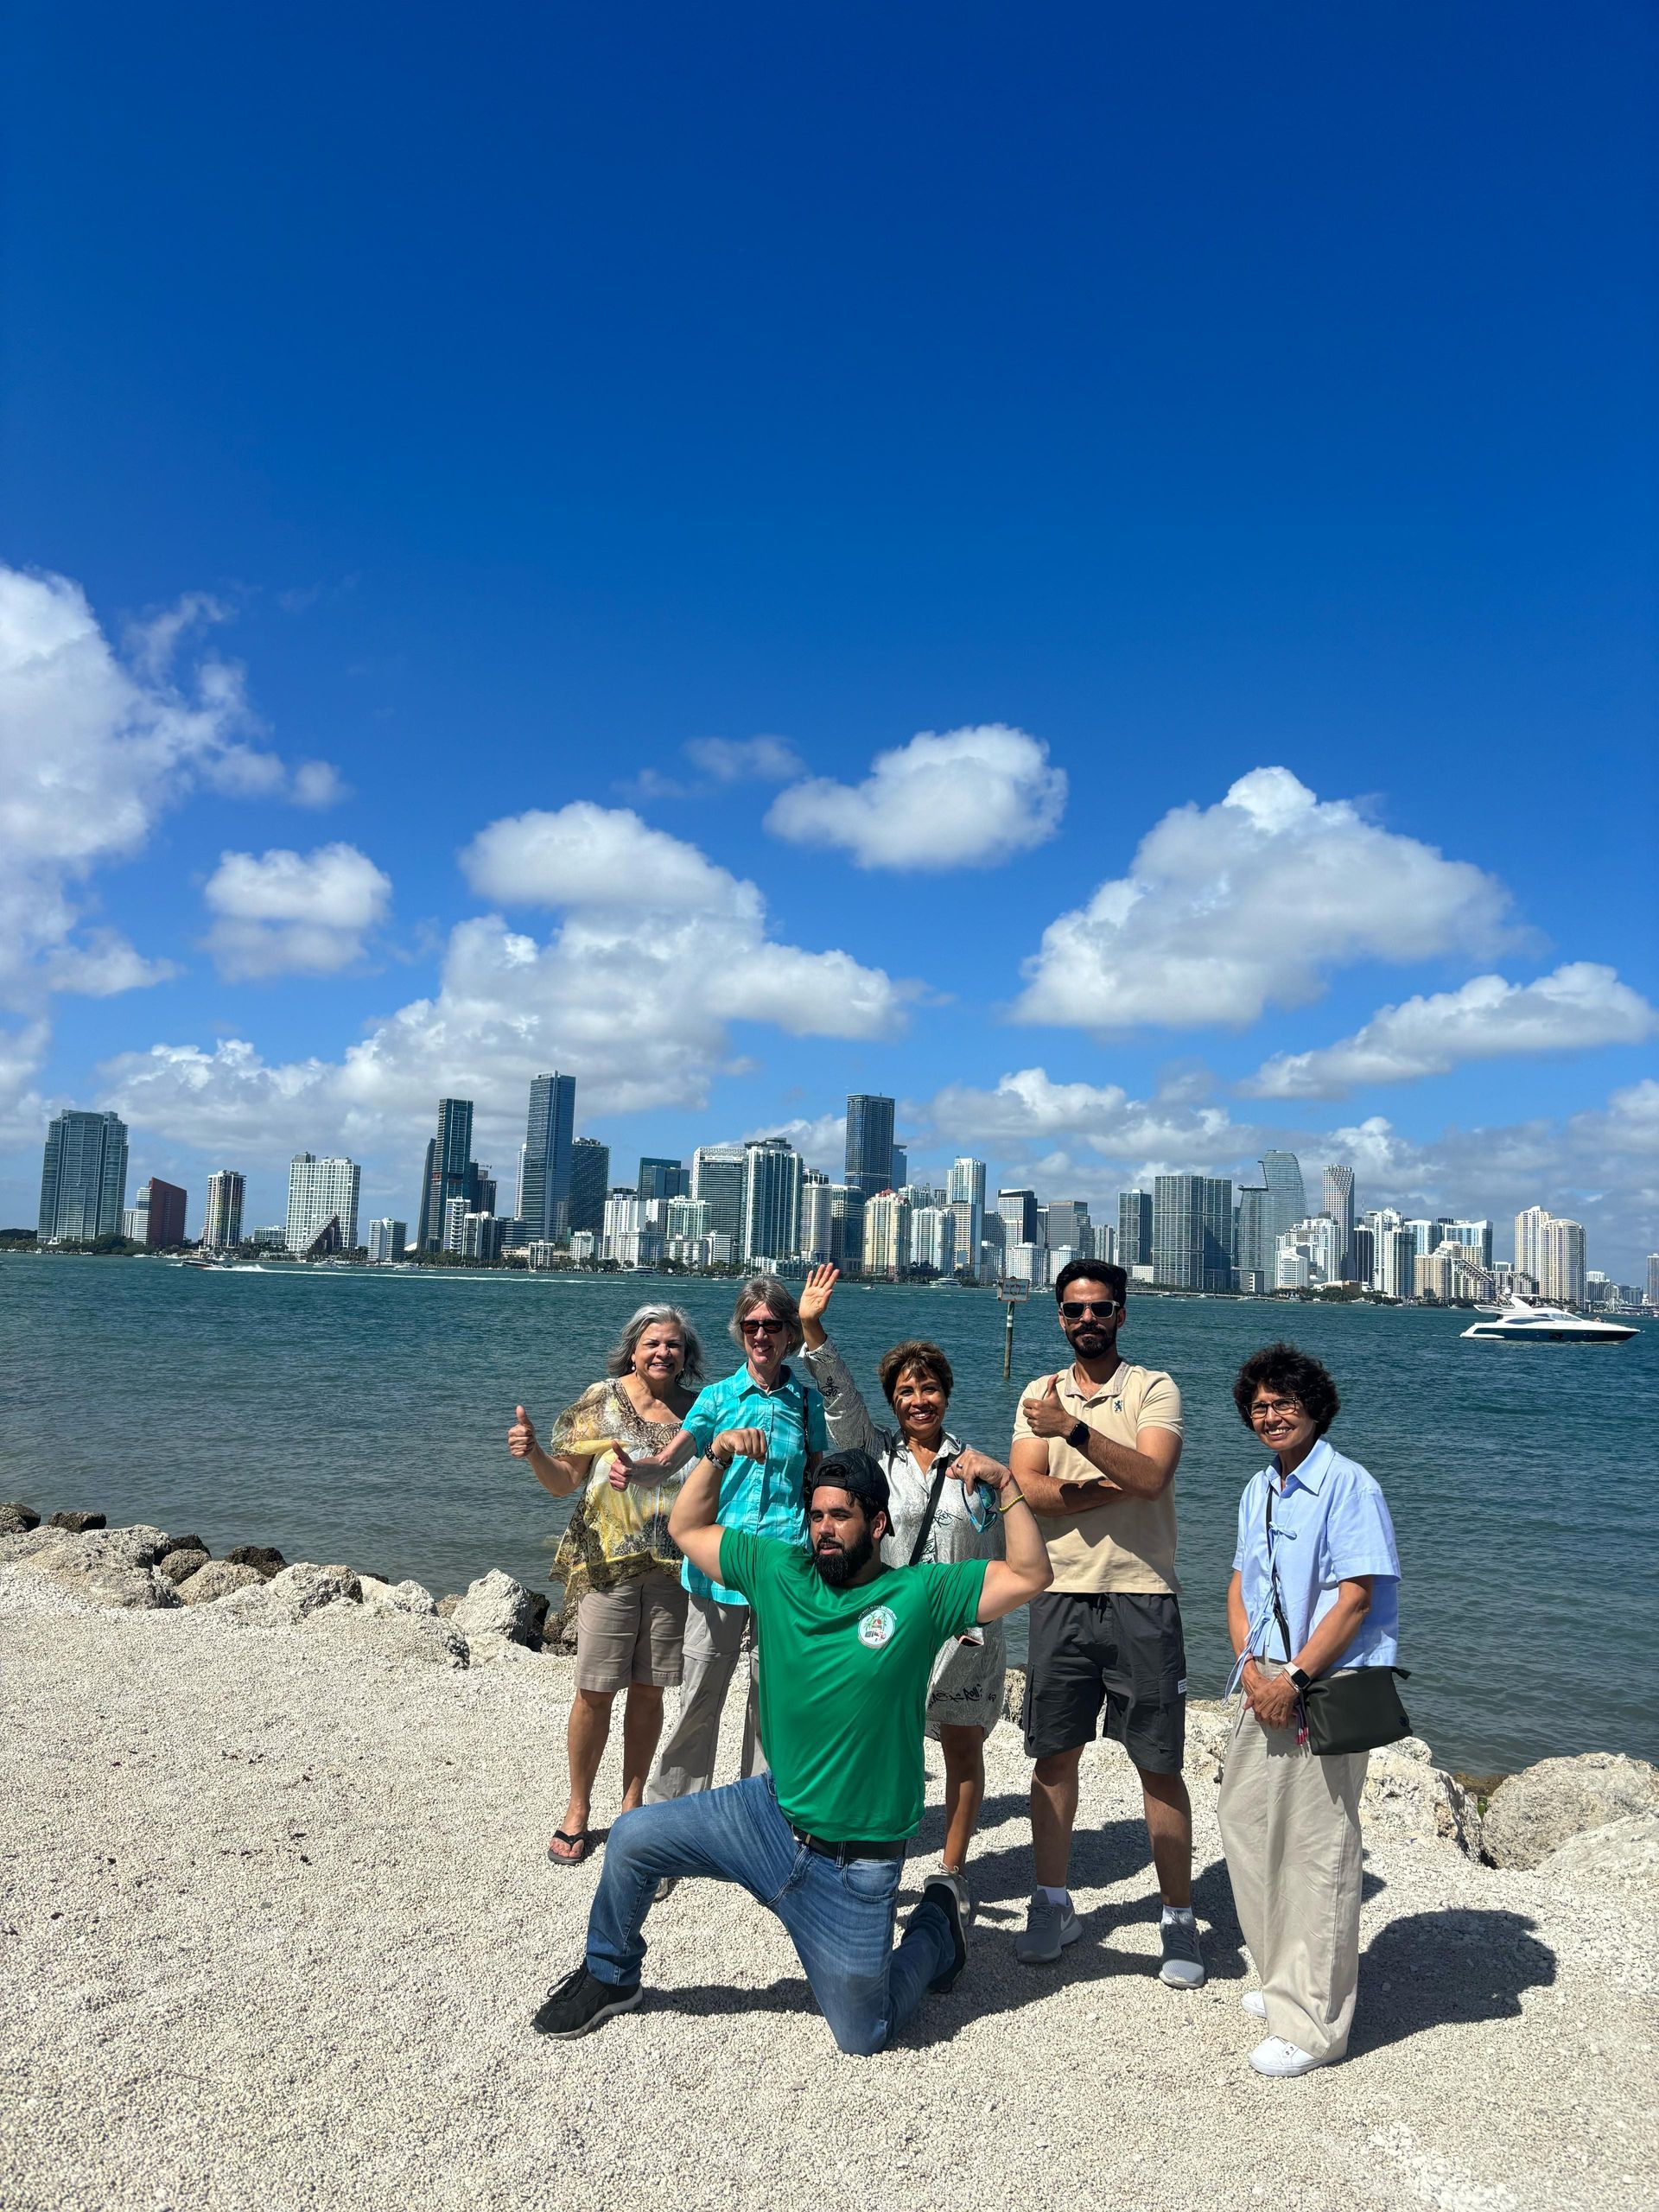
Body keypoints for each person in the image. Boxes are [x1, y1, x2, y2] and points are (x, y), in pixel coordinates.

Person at [529, 1439, 1053, 2051]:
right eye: (817, 1516)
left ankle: (938, 1926)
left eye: (841, 1516)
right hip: (769, 1819)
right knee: (634, 1837)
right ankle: (610, 1974)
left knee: (865, 2033)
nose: (824, 1530)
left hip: (858, 1863)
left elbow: (1030, 1574)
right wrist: (718, 1457)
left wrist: (1005, 1482)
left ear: (878, 1523)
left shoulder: (921, 1595)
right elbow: (687, 1526)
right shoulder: (778, 1571)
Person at [1007, 1259, 1203, 1987]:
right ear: (1059, 1317)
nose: (1086, 1320)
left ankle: (1178, 1916)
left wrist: (1075, 1433)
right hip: (1059, 1592)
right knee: (1053, 1756)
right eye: (1073, 1310)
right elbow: (1028, 1490)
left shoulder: (1153, 1388)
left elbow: (1153, 1477)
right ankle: (1052, 1902)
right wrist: (1101, 1487)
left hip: (1143, 1594)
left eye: (1100, 1308)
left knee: (1157, 1762)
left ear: (1122, 1313)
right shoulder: (1037, 1390)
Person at [794, 1262, 1009, 1911]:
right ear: (893, 1401)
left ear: (947, 1393)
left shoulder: (974, 1465)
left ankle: (950, 1868)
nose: (919, 1401)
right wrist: (813, 1328)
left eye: (930, 1389)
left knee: (962, 1751)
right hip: (889, 1626)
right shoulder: (876, 1458)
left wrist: (1003, 1485)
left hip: (964, 1633)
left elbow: (1000, 1555)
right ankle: (854, 1853)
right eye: (907, 1391)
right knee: (873, 1743)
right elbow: (839, 1400)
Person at [1219, 1343, 1402, 2078]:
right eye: (1259, 1406)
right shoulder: (1259, 1488)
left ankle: (1317, 2024)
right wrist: (1253, 1668)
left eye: (1284, 1403)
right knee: (1248, 1823)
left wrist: (1290, 1677)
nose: (1271, 1415)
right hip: (1262, 1678)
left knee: (1318, 1848)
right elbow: (1238, 1584)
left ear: (1315, 1407)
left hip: (1321, 1684)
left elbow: (1355, 1599)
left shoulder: (1349, 1485)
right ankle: (1280, 1973)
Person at [507, 1305, 704, 1864]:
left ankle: (633, 1803)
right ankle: (577, 1809)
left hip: (673, 1573)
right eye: (652, 1344)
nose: (663, 1352)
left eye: (673, 1344)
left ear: (686, 1356)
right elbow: (562, 1482)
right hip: (606, 1568)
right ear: (633, 1351)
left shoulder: (698, 1411)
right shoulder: (602, 1400)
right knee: (594, 1692)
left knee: (649, 1691)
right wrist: (535, 1454)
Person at [641, 1275, 827, 1823]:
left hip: (783, 1570)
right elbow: (672, 1459)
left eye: (772, 1325)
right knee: (697, 1700)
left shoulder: (806, 1401)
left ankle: (759, 1823)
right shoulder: (717, 1399)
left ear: (790, 1333)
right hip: (716, 1566)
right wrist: (640, 1469)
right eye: (752, 1326)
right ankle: (668, 1825)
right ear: (739, 1332)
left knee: (772, 1703)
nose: (762, 1336)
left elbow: (816, 1482)